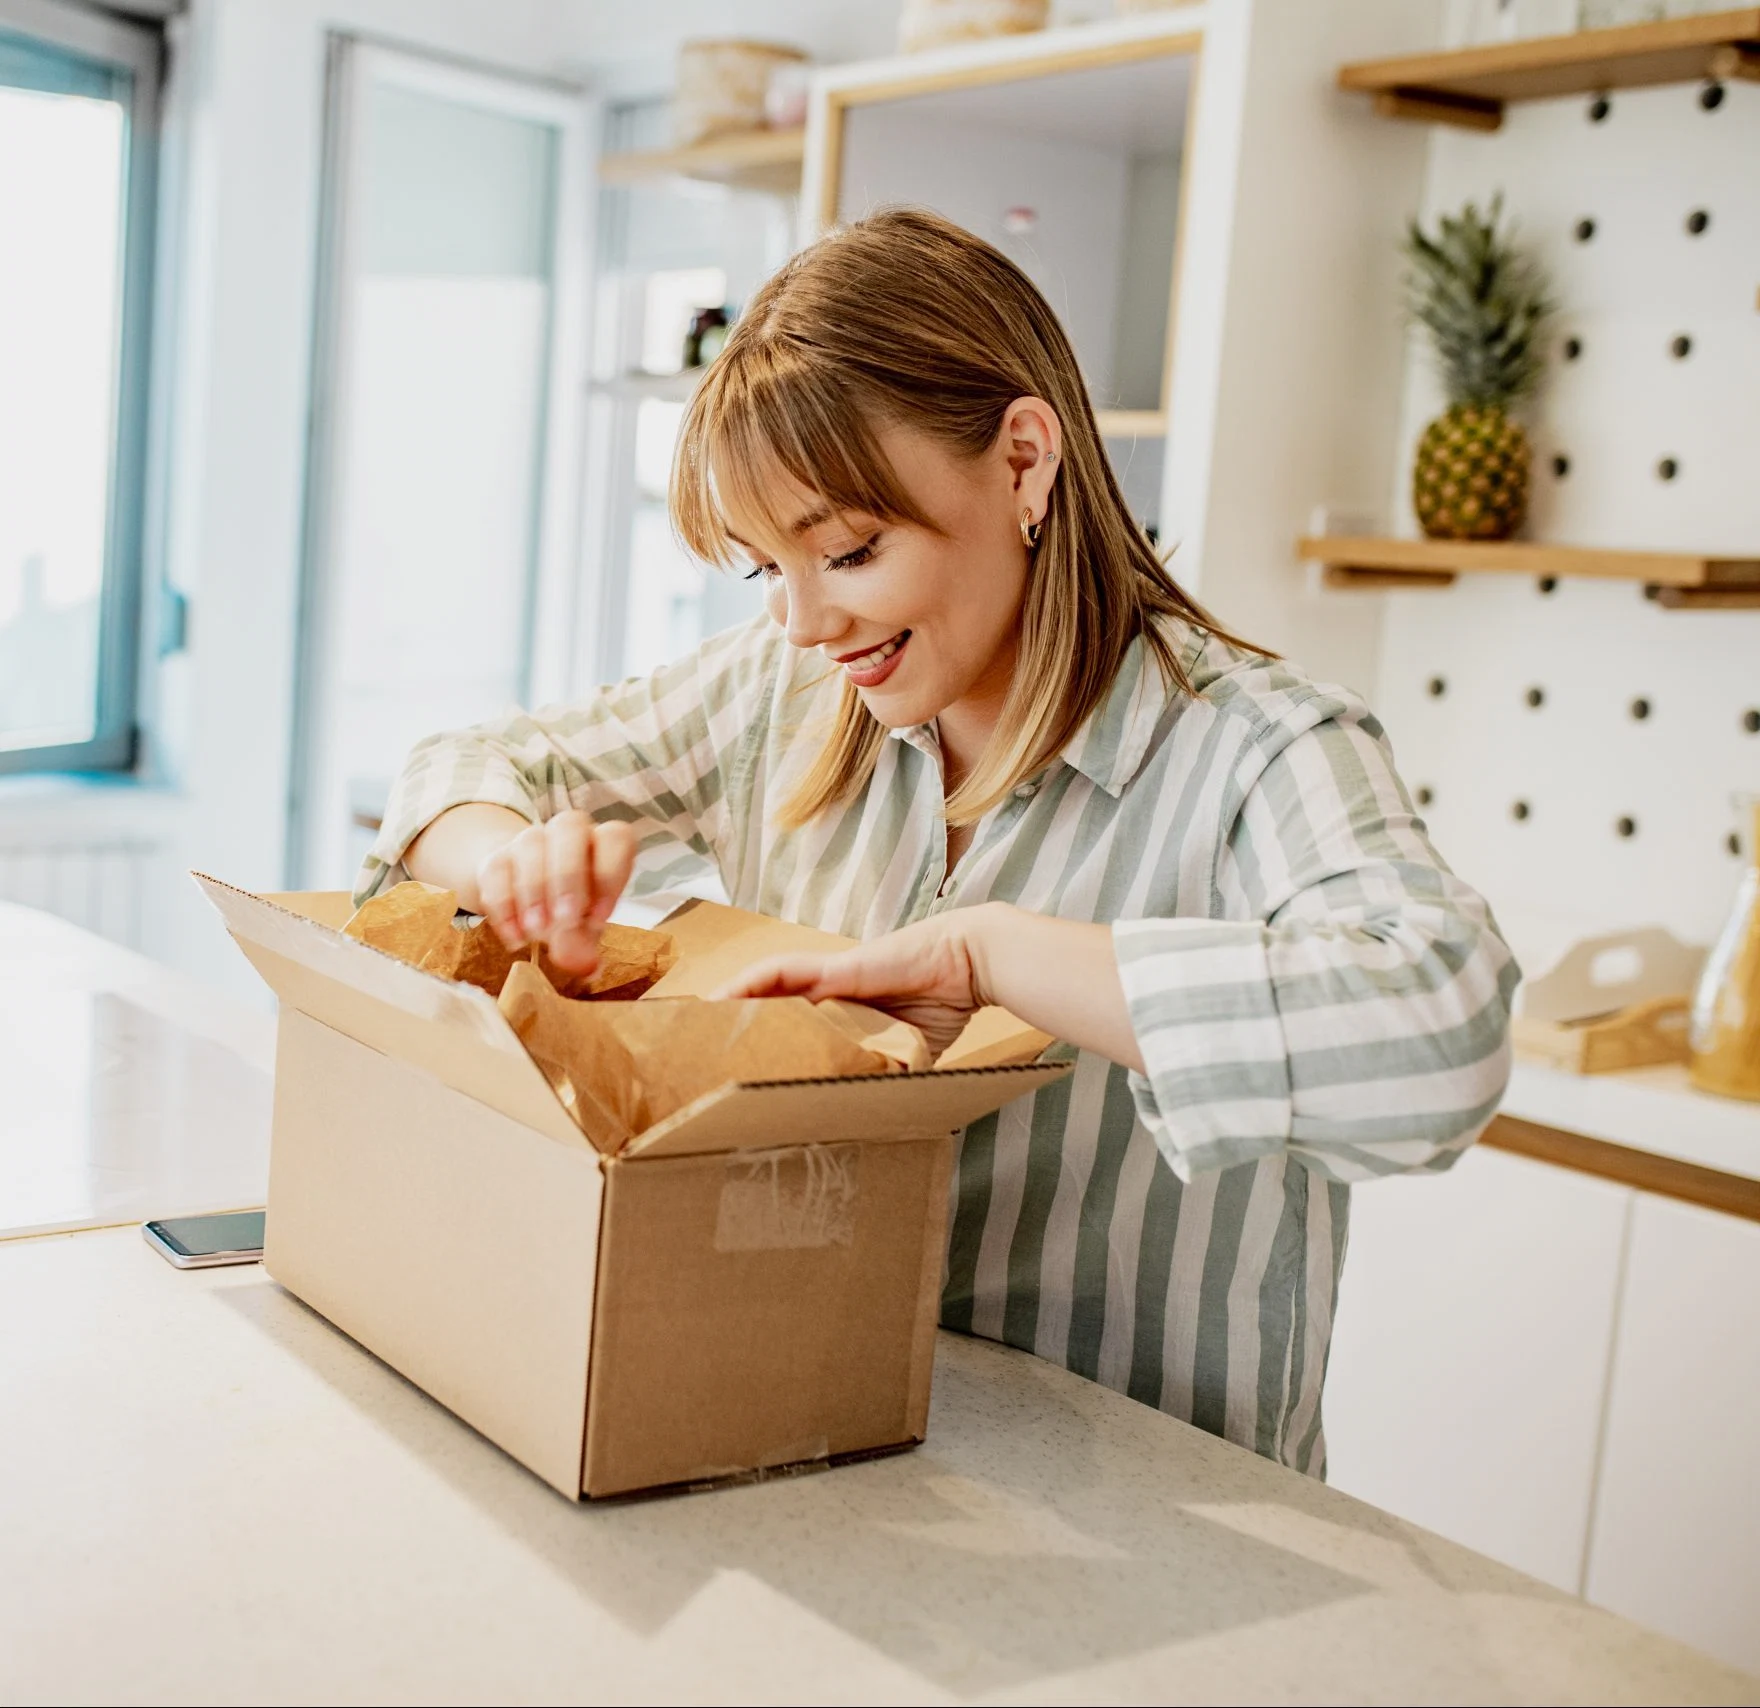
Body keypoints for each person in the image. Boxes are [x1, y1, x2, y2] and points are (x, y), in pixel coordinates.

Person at [359, 207, 1517, 1476]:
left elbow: (1439, 1033)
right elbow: (465, 771)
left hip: (1152, 1542)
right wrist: (506, 859)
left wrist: (996, 955)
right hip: (812, 1455)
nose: (803, 621)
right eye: (764, 570)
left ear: (1024, 462)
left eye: (849, 550)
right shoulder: (787, 691)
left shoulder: (1255, 748)